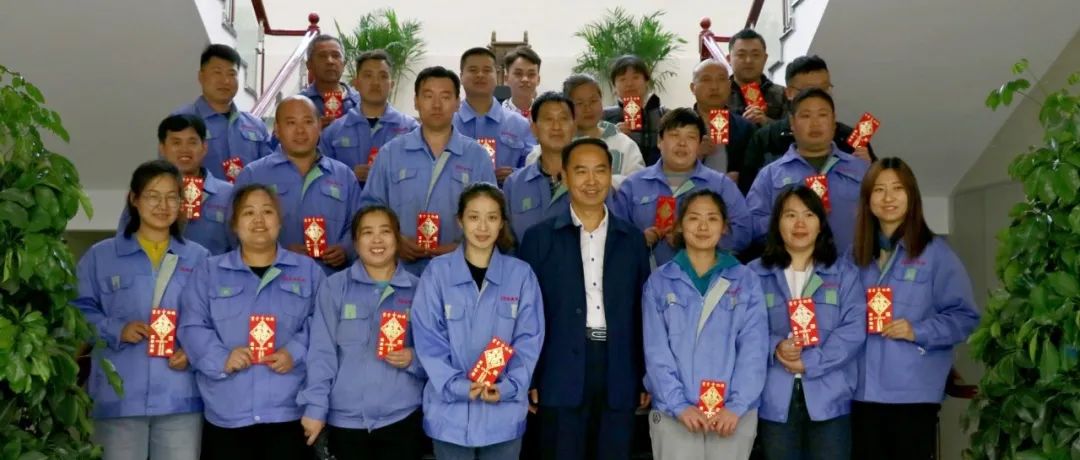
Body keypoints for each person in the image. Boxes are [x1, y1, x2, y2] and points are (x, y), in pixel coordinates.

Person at [517, 138, 652, 459]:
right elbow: (526, 314)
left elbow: (642, 312)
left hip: (619, 367)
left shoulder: (632, 239)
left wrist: (644, 375)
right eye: (581, 171)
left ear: (611, 175)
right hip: (558, 368)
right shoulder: (539, 239)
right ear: (564, 176)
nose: (591, 181)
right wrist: (530, 375)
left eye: (600, 171)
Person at [179, 183, 326, 460]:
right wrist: (222, 358)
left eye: (267, 212)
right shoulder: (209, 272)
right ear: (234, 225)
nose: (259, 220)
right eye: (248, 213)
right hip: (227, 413)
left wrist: (294, 352)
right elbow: (192, 326)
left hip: (289, 411)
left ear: (279, 222)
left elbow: (323, 326)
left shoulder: (308, 271)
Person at [76, 160, 209, 460]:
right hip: (119, 398)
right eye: (152, 196)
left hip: (180, 398)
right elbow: (76, 314)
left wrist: (193, 351)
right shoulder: (101, 256)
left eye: (172, 196)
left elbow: (213, 320)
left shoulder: (199, 258)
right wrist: (116, 329)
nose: (163, 205)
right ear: (134, 199)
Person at [850, 158, 980, 460]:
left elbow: (965, 317)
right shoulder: (855, 256)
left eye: (897, 188)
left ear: (912, 195)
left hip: (913, 394)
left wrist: (917, 330)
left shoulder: (937, 254)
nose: (888, 197)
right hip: (861, 392)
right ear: (868, 199)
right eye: (879, 189)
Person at [411, 183, 545, 459]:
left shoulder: (521, 275)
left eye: (492, 217)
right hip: (449, 416)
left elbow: (529, 340)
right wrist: (458, 386)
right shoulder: (437, 273)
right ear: (460, 221)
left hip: (503, 416)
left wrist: (508, 387)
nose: (482, 227)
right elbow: (427, 340)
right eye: (474, 217)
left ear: (502, 223)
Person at [643, 189, 767, 460]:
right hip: (675, 415)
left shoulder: (745, 280)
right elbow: (656, 352)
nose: (702, 227)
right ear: (679, 225)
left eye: (712, 218)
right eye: (694, 218)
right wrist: (678, 405)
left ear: (724, 227)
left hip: (732, 416)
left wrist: (736, 406)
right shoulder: (660, 282)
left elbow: (754, 350)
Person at [298, 206, 428, 460]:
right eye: (367, 232)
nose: (377, 240)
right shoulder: (334, 287)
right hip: (346, 420)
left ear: (397, 239)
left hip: (402, 417)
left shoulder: (419, 289)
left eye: (385, 231)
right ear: (356, 243)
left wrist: (413, 358)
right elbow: (321, 353)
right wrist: (315, 407)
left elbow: (435, 350)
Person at [748, 186, 865, 460]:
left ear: (820, 224)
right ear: (777, 223)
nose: (800, 223)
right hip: (774, 398)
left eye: (809, 214)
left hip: (830, 397)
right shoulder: (754, 274)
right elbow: (744, 329)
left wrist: (811, 361)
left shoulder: (843, 273)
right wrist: (775, 346)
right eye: (790, 215)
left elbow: (854, 329)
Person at [360, 66, 497, 276]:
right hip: (398, 271)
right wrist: (394, 240)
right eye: (428, 96)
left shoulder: (477, 156)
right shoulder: (391, 153)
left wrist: (464, 247)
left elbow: (492, 214)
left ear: (457, 103)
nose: (436, 105)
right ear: (416, 101)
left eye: (445, 97)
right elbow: (369, 209)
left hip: (458, 272)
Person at [234, 96, 361, 274]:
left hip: (330, 281)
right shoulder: (253, 175)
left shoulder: (344, 176)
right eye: (291, 123)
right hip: (270, 280)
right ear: (277, 129)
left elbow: (358, 224)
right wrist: (275, 251)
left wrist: (345, 249)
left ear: (319, 127)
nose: (300, 130)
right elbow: (235, 232)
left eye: (308, 122)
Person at [613, 108, 751, 267]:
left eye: (691, 137)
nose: (682, 143)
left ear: (700, 144)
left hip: (706, 277)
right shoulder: (633, 185)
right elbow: (615, 235)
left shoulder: (720, 185)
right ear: (659, 141)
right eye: (674, 135)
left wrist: (698, 238)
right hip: (645, 277)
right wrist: (639, 240)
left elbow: (744, 231)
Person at [747, 89, 869, 252]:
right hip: (790, 265)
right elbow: (751, 227)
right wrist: (789, 217)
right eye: (806, 116)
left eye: (822, 115)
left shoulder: (861, 169)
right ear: (792, 122)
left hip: (852, 265)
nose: (815, 123)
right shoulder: (770, 174)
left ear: (834, 121)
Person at [738, 55, 874, 193]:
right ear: (789, 93)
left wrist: (870, 170)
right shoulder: (765, 139)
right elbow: (748, 192)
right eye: (809, 91)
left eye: (824, 89)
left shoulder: (850, 138)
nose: (818, 97)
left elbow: (878, 189)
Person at [119, 115, 234, 254]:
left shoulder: (228, 194)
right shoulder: (144, 191)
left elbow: (240, 249)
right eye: (176, 142)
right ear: (162, 148)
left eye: (192, 142)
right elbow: (124, 242)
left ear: (204, 147)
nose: (184, 149)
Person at [524, 74, 645, 187]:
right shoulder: (551, 146)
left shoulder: (624, 145)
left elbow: (638, 185)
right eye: (579, 103)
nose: (588, 108)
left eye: (593, 101)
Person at [173, 44, 271, 183]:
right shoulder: (181, 120)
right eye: (217, 72)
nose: (225, 80)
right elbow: (168, 173)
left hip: (248, 196)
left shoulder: (256, 125)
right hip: (200, 197)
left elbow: (269, 172)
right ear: (201, 76)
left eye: (231, 74)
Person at [319, 49, 420, 183]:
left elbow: (420, 173)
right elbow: (322, 175)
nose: (375, 83)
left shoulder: (411, 129)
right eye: (368, 76)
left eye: (383, 76)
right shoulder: (333, 132)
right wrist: (349, 176)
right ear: (356, 83)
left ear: (391, 85)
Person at [453, 47, 537, 183]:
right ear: (461, 76)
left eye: (487, 70)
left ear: (497, 76)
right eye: (473, 70)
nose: (480, 75)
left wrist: (516, 175)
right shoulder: (448, 122)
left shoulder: (519, 124)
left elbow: (534, 167)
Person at [690, 59, 755, 182]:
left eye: (721, 79)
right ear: (693, 88)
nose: (714, 87)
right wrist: (693, 156)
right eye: (706, 80)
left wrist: (739, 179)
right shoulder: (678, 126)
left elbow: (754, 170)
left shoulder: (745, 128)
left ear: (729, 86)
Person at [602, 55, 668, 166]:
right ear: (614, 86)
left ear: (646, 82)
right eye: (622, 79)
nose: (629, 84)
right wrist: (613, 137)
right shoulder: (604, 117)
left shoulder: (665, 115)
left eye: (635, 77)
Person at [725, 29, 786, 126]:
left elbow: (793, 130)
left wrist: (766, 122)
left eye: (755, 55)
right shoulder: (720, 94)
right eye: (741, 55)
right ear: (729, 59)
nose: (748, 60)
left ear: (765, 58)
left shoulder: (782, 94)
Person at [299, 35, 361, 129]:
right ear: (309, 65)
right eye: (322, 56)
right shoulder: (297, 103)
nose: (330, 61)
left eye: (336, 55)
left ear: (344, 64)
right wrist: (310, 131)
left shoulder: (361, 102)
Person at [501, 46, 542, 118]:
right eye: (518, 73)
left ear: (538, 80)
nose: (525, 79)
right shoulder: (498, 115)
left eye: (531, 74)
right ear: (506, 79)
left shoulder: (544, 114)